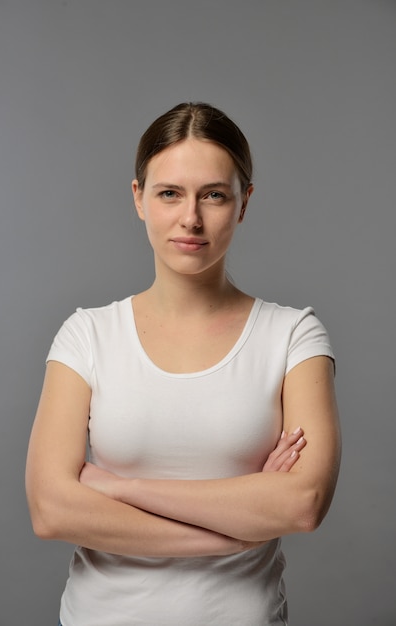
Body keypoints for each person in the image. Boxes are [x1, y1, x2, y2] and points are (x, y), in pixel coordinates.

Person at [25, 102, 341, 626]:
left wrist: (121, 488)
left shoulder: (293, 336)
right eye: (169, 193)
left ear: (243, 204)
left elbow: (302, 502)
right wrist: (238, 528)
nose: (190, 218)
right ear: (139, 199)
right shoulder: (87, 335)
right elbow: (51, 509)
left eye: (213, 195)